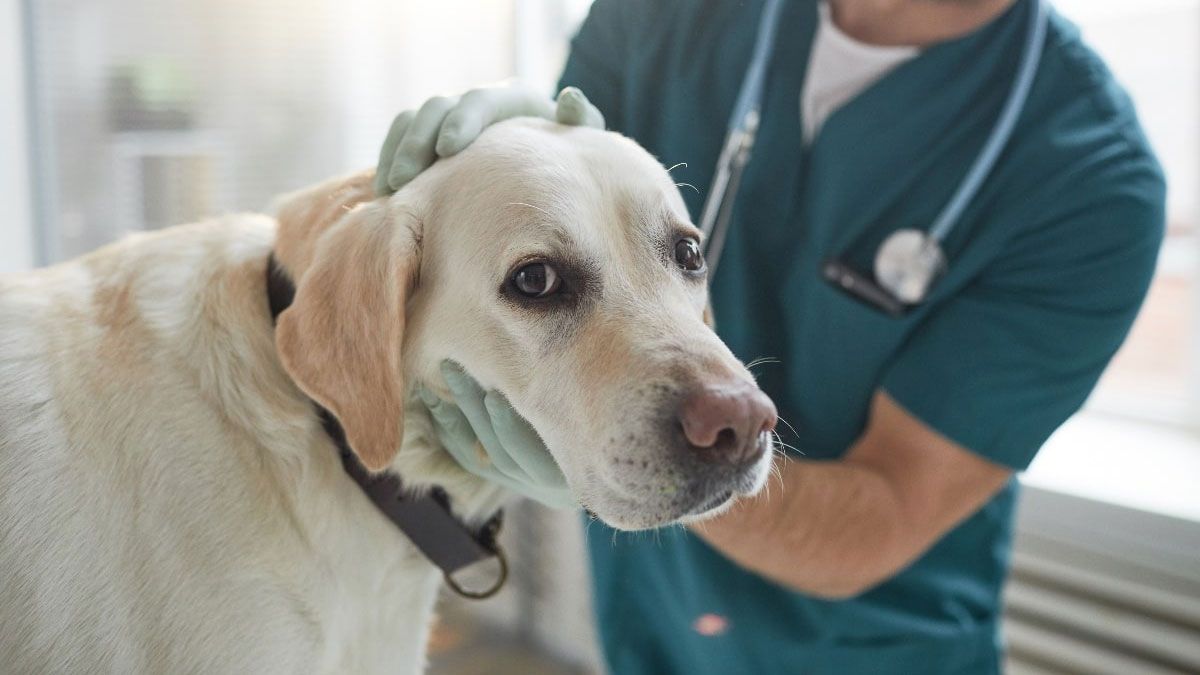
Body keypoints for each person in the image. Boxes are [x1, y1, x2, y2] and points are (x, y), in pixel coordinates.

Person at [376, 0, 1166, 672]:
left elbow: (883, 510)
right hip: (647, 634)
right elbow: (565, 181)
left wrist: (656, 452)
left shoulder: (1089, 183)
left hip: (868, 649)